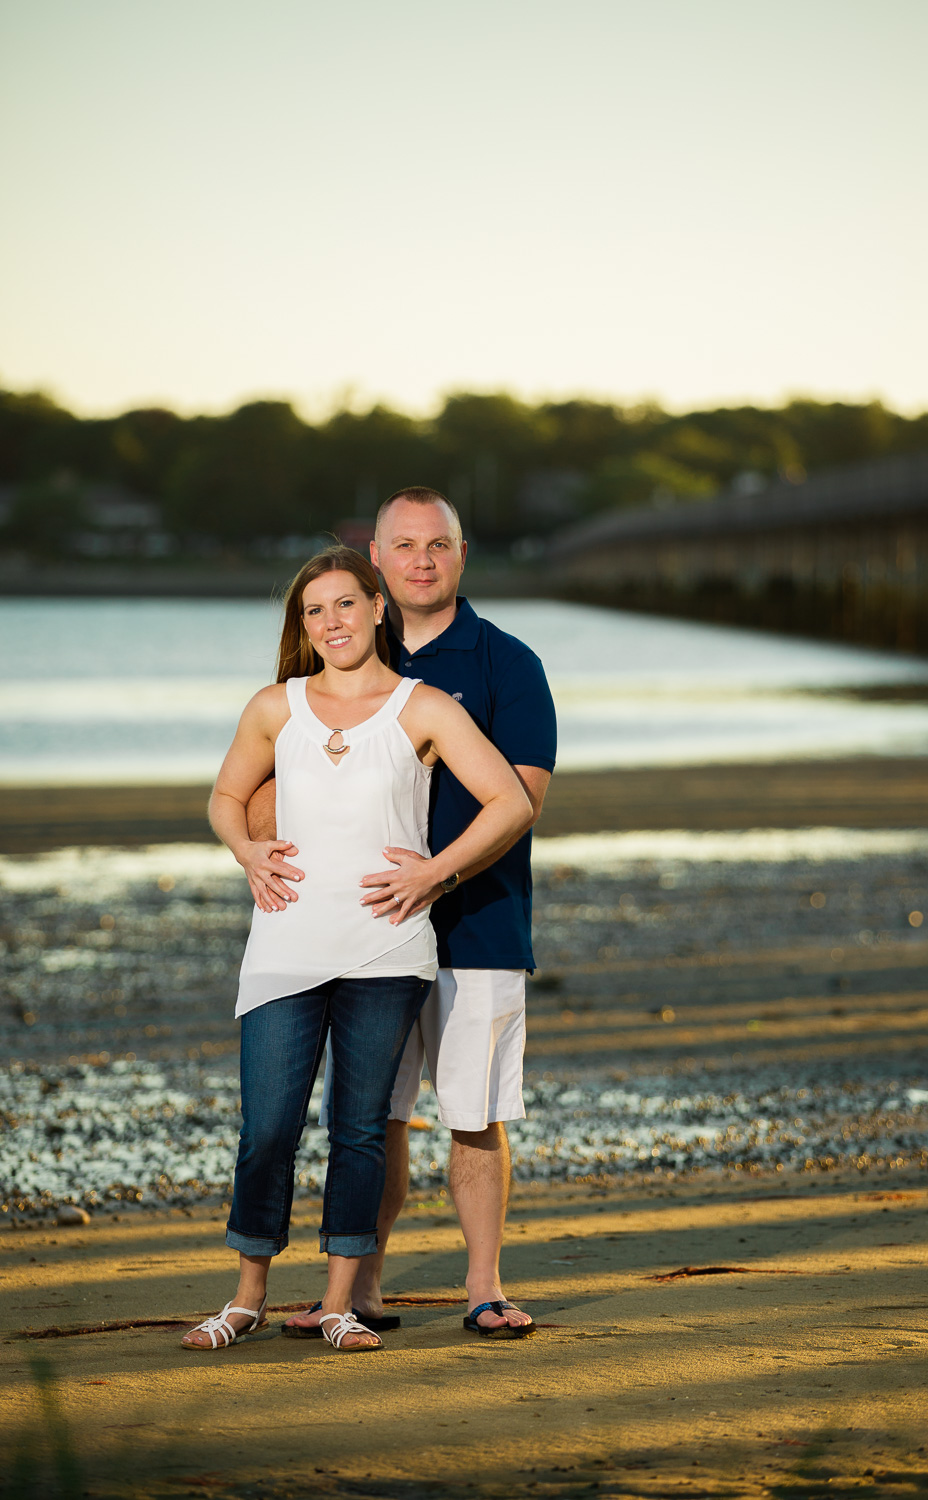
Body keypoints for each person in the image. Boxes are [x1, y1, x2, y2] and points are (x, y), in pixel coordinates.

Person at [180, 545, 531, 1353]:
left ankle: (341, 1301)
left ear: (378, 608)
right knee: (266, 1127)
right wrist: (247, 851)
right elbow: (226, 796)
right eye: (314, 610)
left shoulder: (426, 707)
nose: (331, 622)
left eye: (345, 604)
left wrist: (437, 874)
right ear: (301, 625)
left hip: (386, 951)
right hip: (284, 947)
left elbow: (508, 801)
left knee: (361, 1130)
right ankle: (246, 1298)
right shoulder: (276, 705)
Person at [272, 488, 557, 1341]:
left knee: (473, 1111)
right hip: (365, 931)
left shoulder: (510, 663)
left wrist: (433, 876)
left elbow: (524, 798)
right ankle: (354, 1293)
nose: (422, 559)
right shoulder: (347, 643)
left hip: (479, 925)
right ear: (377, 560)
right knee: (372, 1115)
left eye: (438, 544)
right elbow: (270, 769)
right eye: (405, 546)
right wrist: (263, 853)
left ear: (461, 555)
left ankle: (483, 1287)